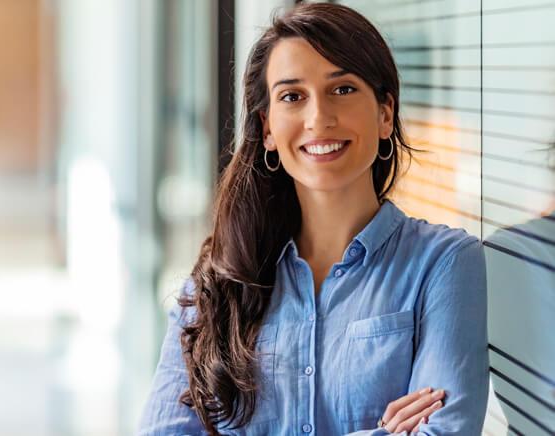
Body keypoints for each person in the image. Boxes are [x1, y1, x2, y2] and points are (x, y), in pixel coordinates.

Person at [139, 3, 488, 435]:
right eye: (292, 96)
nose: (319, 118)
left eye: (342, 89)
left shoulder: (444, 264)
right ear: (267, 127)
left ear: (384, 114)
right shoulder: (216, 283)